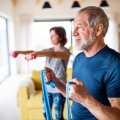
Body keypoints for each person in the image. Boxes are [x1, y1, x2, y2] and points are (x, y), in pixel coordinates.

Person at [45, 6, 120, 120]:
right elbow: (74, 95)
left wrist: (86, 99)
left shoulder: (116, 63)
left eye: (79, 27)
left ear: (98, 30)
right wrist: (55, 81)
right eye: (73, 27)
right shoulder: (79, 58)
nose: (73, 33)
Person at [10, 26, 70, 120]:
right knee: (46, 115)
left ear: (61, 37)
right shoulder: (49, 50)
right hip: (46, 88)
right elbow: (34, 51)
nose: (51, 38)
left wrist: (36, 54)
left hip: (59, 89)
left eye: (53, 35)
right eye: (50, 35)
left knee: (59, 117)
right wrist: (19, 52)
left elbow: (54, 54)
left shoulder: (65, 52)